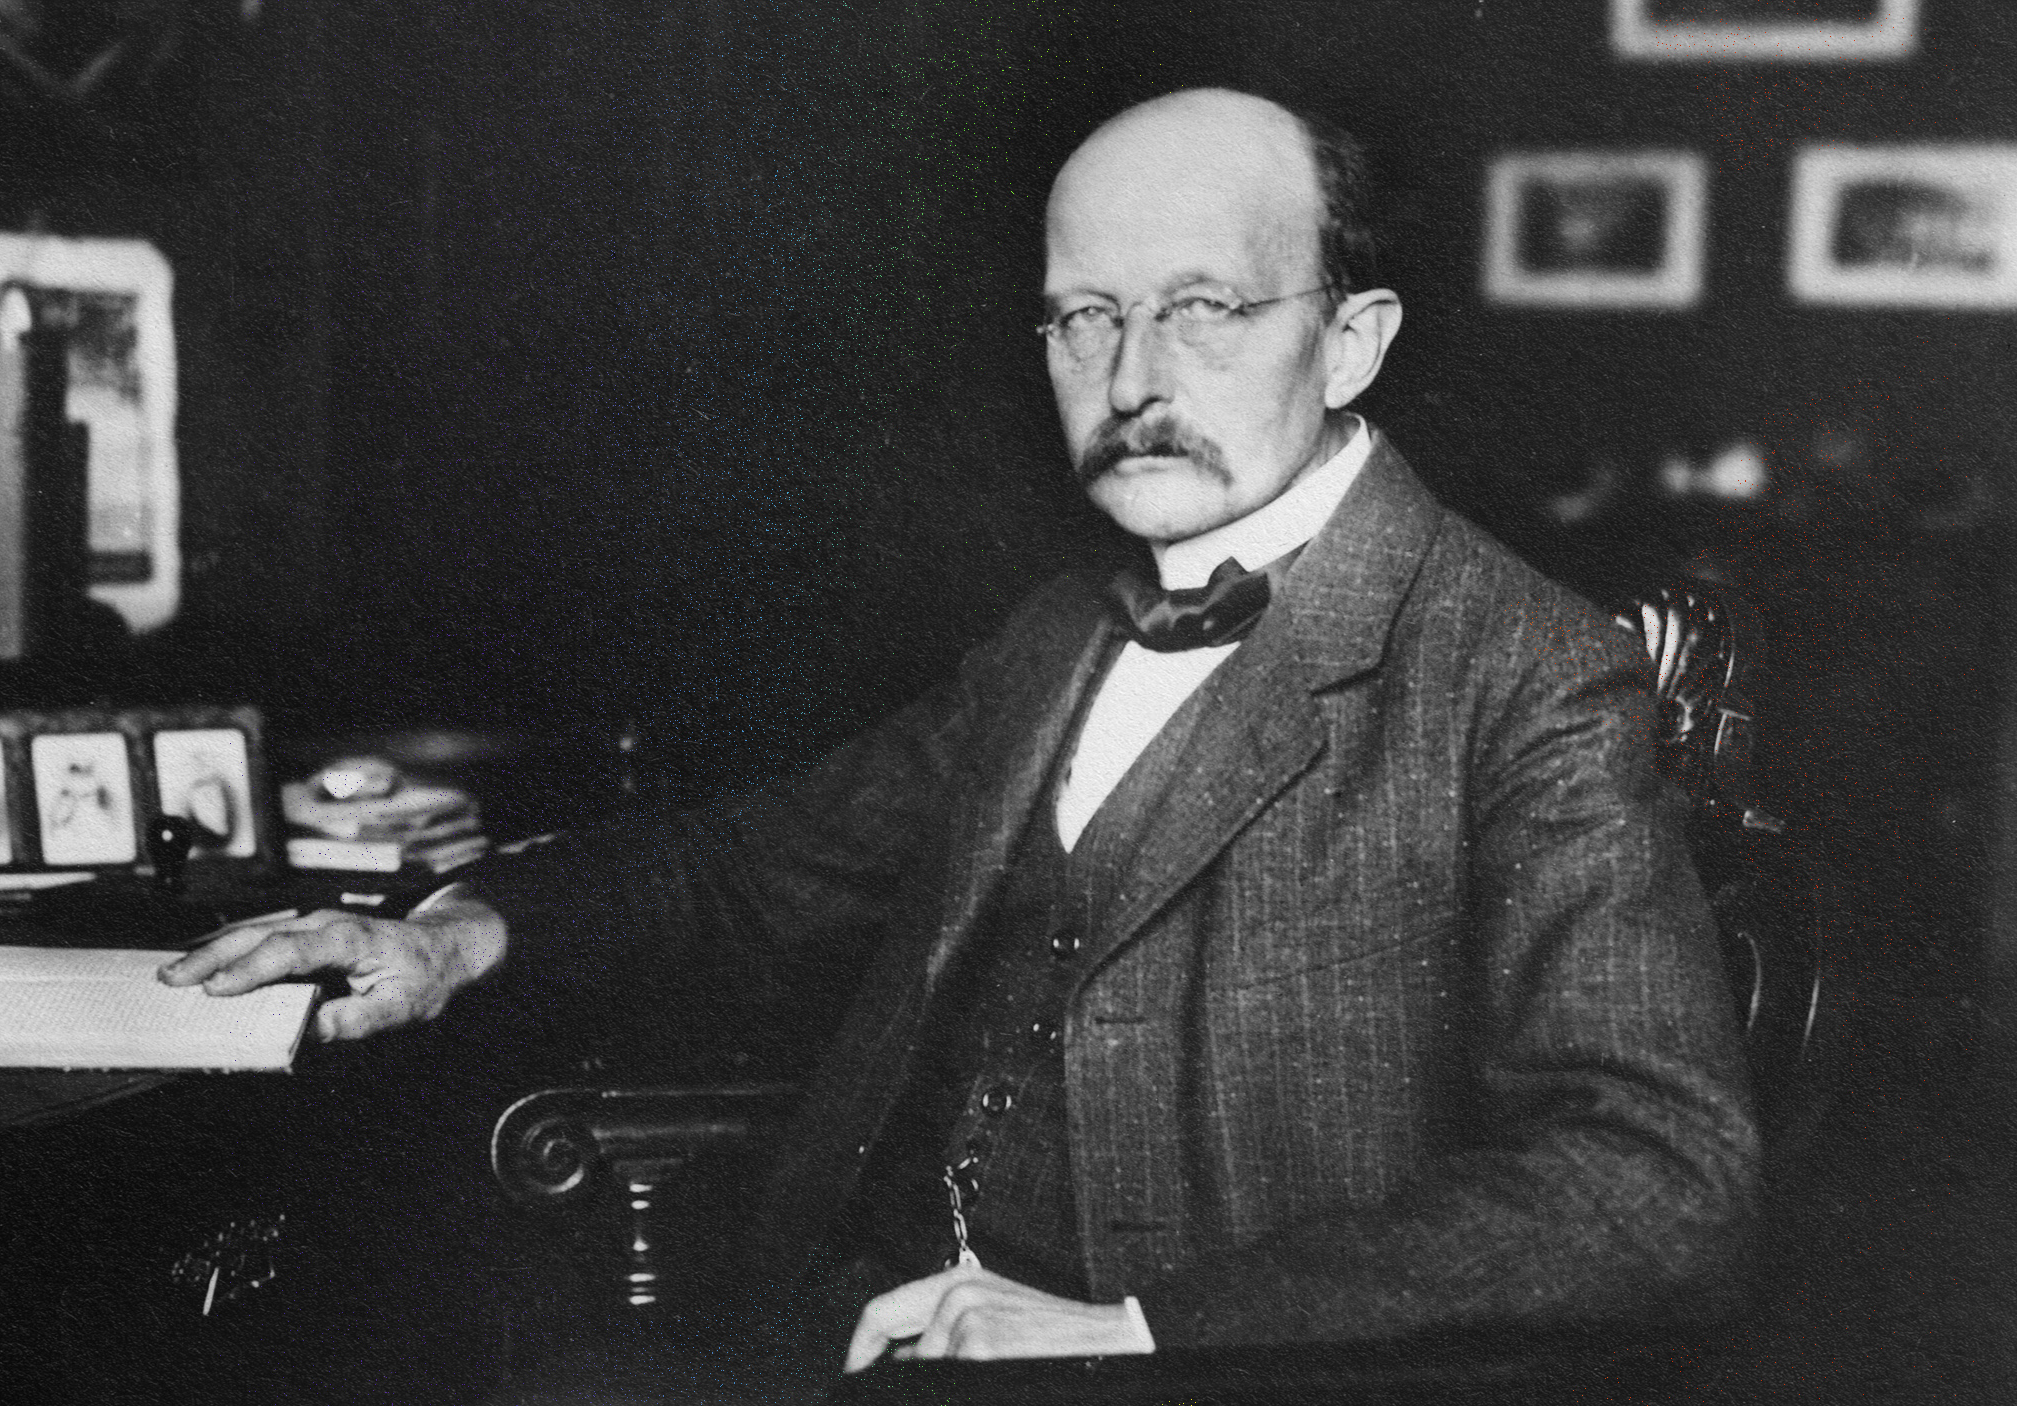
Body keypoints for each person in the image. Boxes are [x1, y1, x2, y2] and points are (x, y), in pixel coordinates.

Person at [163, 87, 1757, 1378]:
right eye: (1082, 318)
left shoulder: (1522, 669)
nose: (1133, 379)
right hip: (854, 1324)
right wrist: (454, 937)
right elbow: (759, 869)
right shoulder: (1061, 630)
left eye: (1203, 307)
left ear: (1351, 339)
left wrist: (1137, 1329)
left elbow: (1656, 1176)